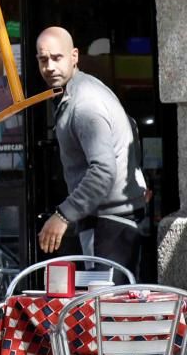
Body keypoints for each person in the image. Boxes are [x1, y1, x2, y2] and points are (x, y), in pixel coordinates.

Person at [35, 26, 148, 276]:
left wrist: (63, 215)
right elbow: (131, 130)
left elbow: (103, 169)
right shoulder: (84, 91)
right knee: (106, 309)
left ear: (74, 56)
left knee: (104, 310)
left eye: (57, 57)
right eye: (43, 59)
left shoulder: (84, 103)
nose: (50, 67)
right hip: (113, 220)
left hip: (110, 224)